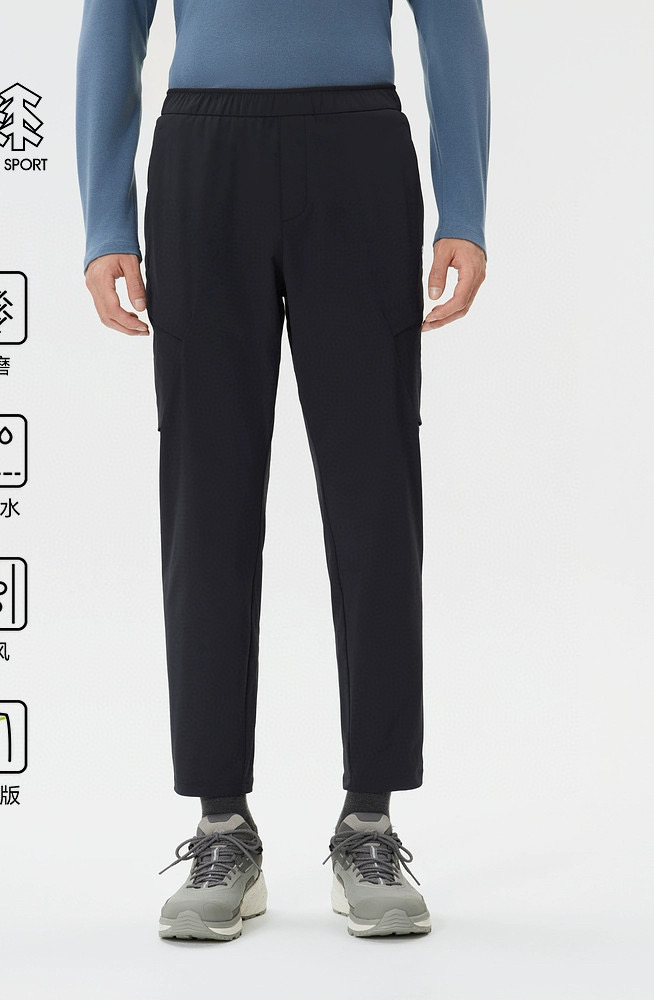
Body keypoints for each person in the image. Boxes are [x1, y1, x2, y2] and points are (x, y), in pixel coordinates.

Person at [76, 0, 490, 941]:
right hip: (203, 156)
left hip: (359, 150)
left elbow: (452, 20)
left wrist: (463, 207)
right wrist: (106, 219)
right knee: (206, 504)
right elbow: (112, 22)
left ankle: (369, 822)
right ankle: (221, 825)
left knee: (376, 502)